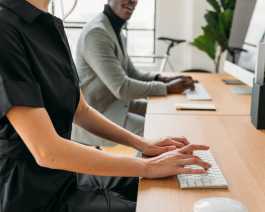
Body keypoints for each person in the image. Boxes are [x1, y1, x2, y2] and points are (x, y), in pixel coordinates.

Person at [0, 0, 211, 212]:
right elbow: (47, 151)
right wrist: (149, 167)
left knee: (165, 187)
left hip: (63, 177)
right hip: (25, 198)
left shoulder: (48, 23)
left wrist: (141, 143)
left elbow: (81, 109)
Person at [72, 0, 195, 147]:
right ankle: (145, 168)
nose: (133, 1)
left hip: (115, 104)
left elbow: (131, 72)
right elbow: (122, 88)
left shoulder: (114, 30)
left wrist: (162, 79)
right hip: (97, 113)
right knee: (156, 132)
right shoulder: (97, 33)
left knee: (164, 118)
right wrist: (167, 88)